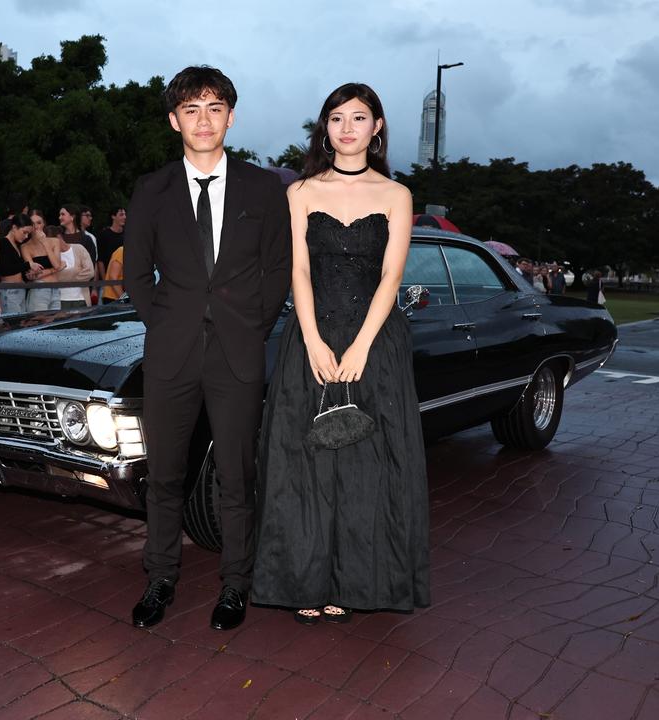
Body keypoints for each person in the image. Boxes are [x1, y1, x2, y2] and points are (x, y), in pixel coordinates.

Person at [251, 82, 430, 625]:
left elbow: (392, 277)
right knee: (305, 464)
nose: (347, 127)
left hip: (375, 345)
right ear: (324, 128)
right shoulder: (301, 192)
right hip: (311, 338)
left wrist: (360, 346)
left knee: (368, 467)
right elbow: (298, 271)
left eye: (359, 117)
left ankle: (357, 583)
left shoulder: (397, 195)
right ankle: (303, 579)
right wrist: (310, 338)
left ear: (377, 127)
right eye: (336, 118)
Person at [123, 66, 292, 631]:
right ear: (175, 121)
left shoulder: (266, 188)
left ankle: (236, 584)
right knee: (166, 475)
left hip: (239, 353)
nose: (203, 120)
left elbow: (278, 269)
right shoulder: (152, 189)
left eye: (214, 108)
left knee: (237, 476)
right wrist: (166, 324)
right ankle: (160, 578)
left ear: (231, 117)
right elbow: (137, 276)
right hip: (170, 355)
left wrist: (252, 327)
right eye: (191, 110)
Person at [22, 222, 64, 312]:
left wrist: (45, 243)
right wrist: (53, 270)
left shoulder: (55, 241)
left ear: (44, 224)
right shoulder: (25, 246)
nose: (36, 226)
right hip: (39, 288)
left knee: (55, 323)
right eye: (33, 224)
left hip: (55, 288)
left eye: (39, 223)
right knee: (39, 322)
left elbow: (56, 264)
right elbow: (32, 275)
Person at [0, 212, 30, 314]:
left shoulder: (17, 244)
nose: (26, 236)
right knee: (13, 326)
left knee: (21, 325)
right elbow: (5, 270)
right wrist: (28, 265)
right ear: (14, 228)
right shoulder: (3, 243)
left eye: (28, 233)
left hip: (20, 290)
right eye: (24, 232)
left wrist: (28, 274)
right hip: (9, 291)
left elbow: (17, 269)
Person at [54, 224, 95, 309]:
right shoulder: (52, 256)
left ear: (58, 237)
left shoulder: (78, 248)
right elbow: (54, 278)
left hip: (81, 299)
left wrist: (64, 275)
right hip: (60, 300)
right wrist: (77, 271)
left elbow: (90, 272)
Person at [97, 206, 126, 278]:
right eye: (121, 214)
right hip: (108, 278)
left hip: (126, 280)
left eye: (125, 214)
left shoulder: (128, 235)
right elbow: (100, 260)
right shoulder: (103, 235)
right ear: (113, 216)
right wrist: (105, 281)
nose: (125, 217)